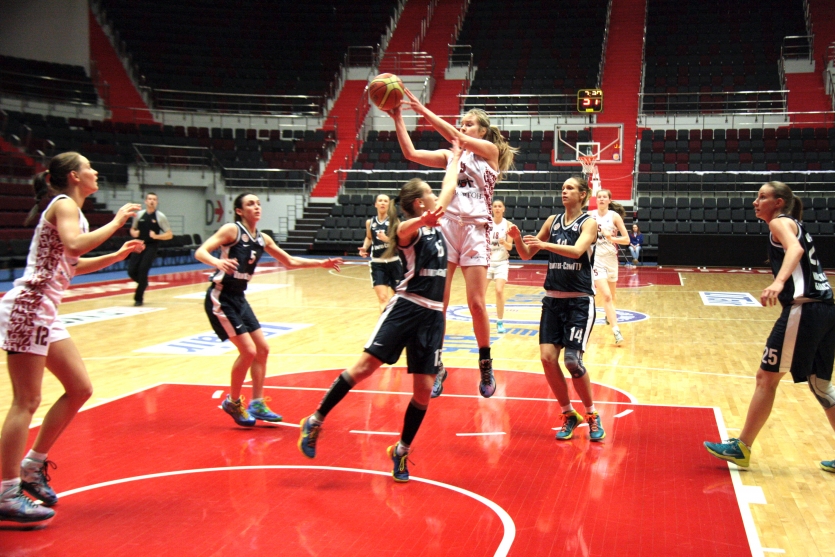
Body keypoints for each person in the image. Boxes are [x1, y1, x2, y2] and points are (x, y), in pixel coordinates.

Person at [297, 141, 461, 482]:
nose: (437, 197)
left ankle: (400, 451)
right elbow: (401, 232)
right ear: (419, 203)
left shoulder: (438, 222)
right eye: (430, 194)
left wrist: (456, 157)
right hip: (406, 308)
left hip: (432, 316)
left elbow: (449, 186)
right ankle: (314, 420)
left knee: (423, 391)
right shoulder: (409, 229)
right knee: (364, 368)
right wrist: (421, 220)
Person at [0, 152, 143, 524]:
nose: (95, 170)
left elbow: (73, 263)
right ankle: (6, 492)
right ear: (75, 176)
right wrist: (116, 222)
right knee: (26, 401)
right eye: (89, 166)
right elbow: (75, 245)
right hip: (29, 306)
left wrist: (118, 254)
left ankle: (32, 465)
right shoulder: (64, 204)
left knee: (79, 388)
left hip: (45, 310)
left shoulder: (73, 212)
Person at [389, 89, 518, 398]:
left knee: (476, 303)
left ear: (482, 131)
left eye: (469, 123)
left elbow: (453, 136)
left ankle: (485, 362)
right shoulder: (451, 157)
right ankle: (437, 364)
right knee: (439, 304)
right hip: (447, 229)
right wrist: (398, 117)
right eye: (462, 123)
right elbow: (411, 153)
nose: (462, 127)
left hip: (475, 231)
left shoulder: (489, 152)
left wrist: (421, 108)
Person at [704, 182, 835, 473]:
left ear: (778, 202)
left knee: (766, 377)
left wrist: (778, 282)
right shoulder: (794, 224)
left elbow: (795, 250)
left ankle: (742, 447)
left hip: (805, 308)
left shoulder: (780, 222)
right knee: (821, 385)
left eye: (762, 197)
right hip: (826, 309)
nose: (755, 201)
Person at [195, 193, 342, 427]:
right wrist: (217, 262)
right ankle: (232, 402)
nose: (256, 207)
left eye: (258, 203)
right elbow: (201, 252)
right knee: (248, 351)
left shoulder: (262, 238)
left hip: (239, 298)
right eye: (250, 204)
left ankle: (257, 403)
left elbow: (290, 261)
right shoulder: (232, 230)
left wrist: (321, 263)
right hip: (221, 297)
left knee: (262, 349)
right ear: (240, 211)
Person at [507, 175, 606, 442]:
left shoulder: (589, 223)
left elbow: (576, 251)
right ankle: (568, 413)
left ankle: (592, 414)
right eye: (563, 188)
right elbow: (526, 254)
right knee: (547, 359)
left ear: (582, 194)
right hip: (553, 300)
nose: (564, 191)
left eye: (570, 188)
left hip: (579, 301)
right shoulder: (552, 221)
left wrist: (544, 244)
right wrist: (518, 238)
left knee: (572, 361)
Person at [588, 189, 630, 345]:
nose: (601, 199)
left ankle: (609, 313)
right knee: (606, 296)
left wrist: (611, 237)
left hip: (611, 259)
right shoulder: (590, 215)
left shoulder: (614, 216)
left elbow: (626, 240)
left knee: (612, 296)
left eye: (604, 197)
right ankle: (616, 331)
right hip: (597, 259)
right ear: (596, 200)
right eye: (599, 197)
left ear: (609, 200)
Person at [358, 194, 404, 313]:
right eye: (380, 201)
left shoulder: (395, 221)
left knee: (398, 298)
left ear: (389, 205)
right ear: (376, 204)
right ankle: (383, 323)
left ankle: (396, 322)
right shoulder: (370, 222)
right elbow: (369, 237)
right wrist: (364, 247)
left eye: (385, 201)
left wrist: (386, 239)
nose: (383, 203)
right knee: (383, 298)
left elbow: (400, 242)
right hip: (378, 264)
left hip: (394, 262)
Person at [127, 192, 172, 306]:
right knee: (131, 271)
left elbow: (169, 235)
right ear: (145, 201)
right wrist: (134, 233)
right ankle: (143, 283)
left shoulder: (160, 217)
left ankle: (138, 298)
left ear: (157, 202)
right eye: (150, 199)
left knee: (143, 269)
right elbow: (133, 229)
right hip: (139, 244)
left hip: (151, 246)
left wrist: (156, 236)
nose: (152, 201)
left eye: (154, 199)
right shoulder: (139, 215)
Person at [487, 198, 514, 334]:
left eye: (499, 206)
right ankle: (480, 321)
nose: (497, 208)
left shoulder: (509, 225)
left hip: (501, 262)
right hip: (487, 262)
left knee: (499, 290)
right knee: (479, 293)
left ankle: (500, 321)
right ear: (492, 209)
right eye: (495, 206)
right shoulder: (487, 224)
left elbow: (510, 247)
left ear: (503, 209)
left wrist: (504, 243)